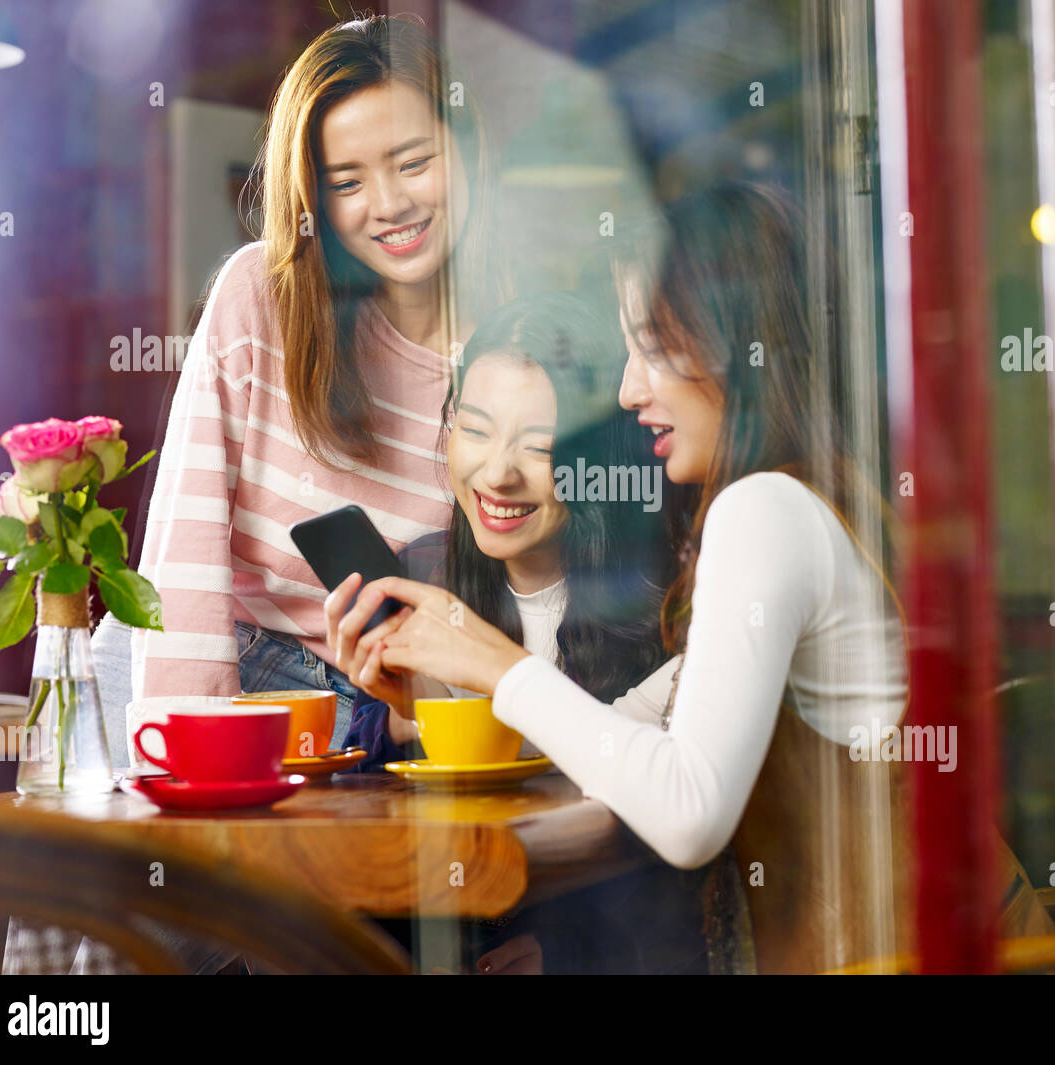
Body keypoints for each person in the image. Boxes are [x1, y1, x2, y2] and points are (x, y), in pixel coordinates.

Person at [327, 182, 911, 971]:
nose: (633, 389)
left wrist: (494, 661)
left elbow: (687, 812)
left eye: (657, 348)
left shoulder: (762, 510)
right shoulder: (809, 498)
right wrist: (434, 707)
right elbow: (625, 733)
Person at [91, 15, 505, 767]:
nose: (388, 205)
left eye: (414, 162)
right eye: (346, 182)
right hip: (217, 663)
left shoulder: (516, 346)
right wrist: (190, 753)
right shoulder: (263, 293)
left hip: (386, 709)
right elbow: (186, 554)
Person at [337, 291, 705, 973]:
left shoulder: (659, 613)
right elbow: (372, 840)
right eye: (473, 430)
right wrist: (391, 721)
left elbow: (678, 869)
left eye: (538, 447)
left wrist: (569, 960)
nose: (497, 472)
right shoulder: (423, 574)